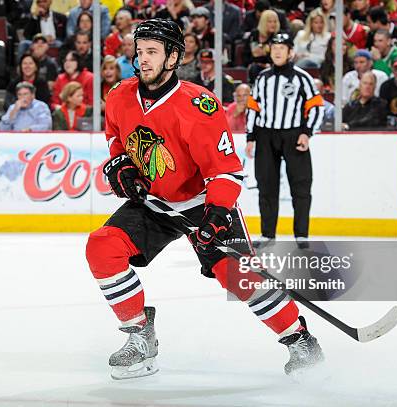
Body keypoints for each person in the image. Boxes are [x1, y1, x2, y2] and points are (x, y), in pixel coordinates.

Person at [85, 18, 324, 381]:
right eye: (140, 51)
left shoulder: (199, 106)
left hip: (202, 202)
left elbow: (226, 170)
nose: (143, 58)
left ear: (173, 57)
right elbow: (115, 139)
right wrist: (120, 166)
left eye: (152, 51)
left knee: (237, 275)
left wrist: (217, 214)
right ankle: (139, 336)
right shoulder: (119, 95)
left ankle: (299, 340)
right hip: (153, 202)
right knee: (102, 246)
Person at [245, 32, 324, 249]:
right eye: (274, 47)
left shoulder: (302, 78)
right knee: (266, 185)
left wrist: (307, 133)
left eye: (282, 47)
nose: (277, 51)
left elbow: (316, 106)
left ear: (291, 52)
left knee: (301, 185)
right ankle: (268, 233)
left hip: (293, 134)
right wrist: (251, 137)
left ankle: (301, 234)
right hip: (265, 135)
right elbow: (253, 108)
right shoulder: (262, 78)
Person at [244, 9, 281, 83]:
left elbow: (277, 57)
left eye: (275, 22)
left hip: (272, 67)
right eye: (270, 22)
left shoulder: (278, 37)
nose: (273, 24)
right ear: (263, 22)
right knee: (254, 68)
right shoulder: (254, 34)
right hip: (254, 67)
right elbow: (248, 54)